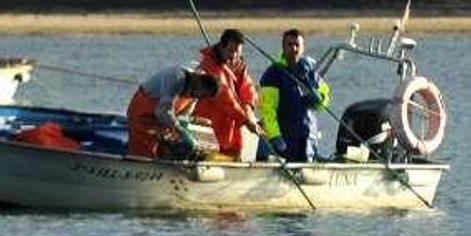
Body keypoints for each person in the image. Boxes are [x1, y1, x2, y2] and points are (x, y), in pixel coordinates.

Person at [259, 28, 332, 163]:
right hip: (285, 140)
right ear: (283, 47)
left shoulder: (310, 73)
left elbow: (325, 99)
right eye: (290, 44)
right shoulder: (273, 74)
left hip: (308, 139)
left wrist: (320, 98)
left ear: (303, 48)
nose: (293, 48)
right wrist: (275, 136)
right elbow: (267, 109)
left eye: (297, 45)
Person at [125, 65, 220, 159]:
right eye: (200, 94)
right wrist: (180, 130)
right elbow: (162, 112)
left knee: (167, 147)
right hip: (143, 113)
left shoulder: (199, 90)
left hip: (164, 118)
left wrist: (191, 122)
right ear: (198, 82)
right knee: (143, 151)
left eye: (202, 96)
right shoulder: (176, 78)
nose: (197, 97)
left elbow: (184, 115)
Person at [193, 29, 260, 161]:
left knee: (232, 156)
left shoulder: (238, 65)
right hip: (210, 125)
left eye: (238, 53)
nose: (234, 56)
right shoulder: (209, 66)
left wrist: (248, 107)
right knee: (208, 156)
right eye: (230, 51)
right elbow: (225, 98)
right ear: (221, 47)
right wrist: (246, 121)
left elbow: (248, 88)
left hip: (231, 126)